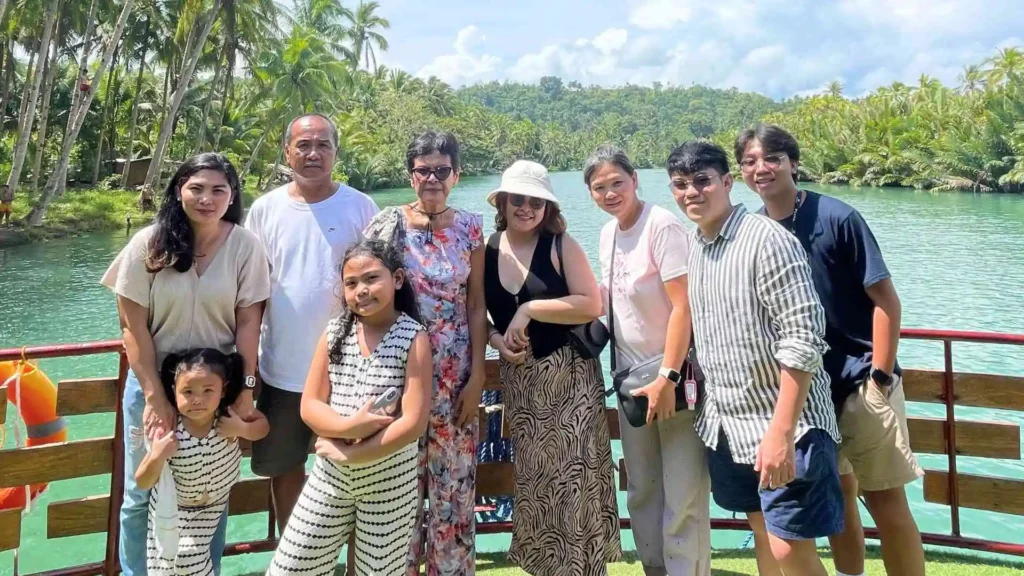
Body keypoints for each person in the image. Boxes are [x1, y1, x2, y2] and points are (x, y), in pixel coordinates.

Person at [738, 123, 924, 576]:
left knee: (886, 503)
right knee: (841, 497)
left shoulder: (836, 217)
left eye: (772, 158)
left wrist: (879, 378)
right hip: (809, 393)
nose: (761, 169)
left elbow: (886, 301)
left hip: (860, 382)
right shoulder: (753, 228)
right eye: (749, 162)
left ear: (793, 163)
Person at [667, 140, 842, 576]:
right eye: (681, 184)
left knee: (789, 549)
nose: (692, 192)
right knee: (763, 535)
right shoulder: (697, 244)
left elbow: (803, 339)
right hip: (729, 424)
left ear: (727, 182)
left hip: (786, 424)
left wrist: (781, 433)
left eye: (703, 181)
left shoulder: (768, 241)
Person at [101, 153, 271, 576]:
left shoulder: (245, 246)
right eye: (196, 188)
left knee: (211, 489)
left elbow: (250, 322)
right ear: (179, 191)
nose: (206, 198)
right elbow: (131, 326)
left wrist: (246, 388)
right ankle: (136, 572)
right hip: (153, 385)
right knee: (140, 492)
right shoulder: (149, 243)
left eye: (219, 190)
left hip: (216, 393)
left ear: (232, 196)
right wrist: (156, 396)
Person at [483, 160, 621, 576]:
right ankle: (545, 567)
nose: (527, 208)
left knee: (573, 483)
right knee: (535, 483)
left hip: (569, 381)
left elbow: (591, 303)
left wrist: (529, 309)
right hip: (522, 381)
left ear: (547, 207)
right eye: (519, 199)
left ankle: (580, 569)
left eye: (536, 201)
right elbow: (482, 318)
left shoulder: (561, 245)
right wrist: (496, 341)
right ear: (504, 202)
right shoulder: (486, 250)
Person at [245, 114, 380, 533]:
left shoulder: (361, 207)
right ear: (287, 152)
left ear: (336, 153)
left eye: (323, 145)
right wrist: (248, 378)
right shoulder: (266, 210)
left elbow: (380, 287)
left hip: (349, 372)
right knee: (285, 471)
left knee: (353, 474)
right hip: (282, 371)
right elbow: (251, 298)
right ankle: (294, 560)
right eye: (303, 145)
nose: (313, 153)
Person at [267, 239, 432, 575]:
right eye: (351, 283)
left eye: (372, 279)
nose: (362, 290)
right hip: (331, 476)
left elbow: (413, 422)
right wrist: (348, 429)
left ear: (397, 279)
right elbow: (310, 405)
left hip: (389, 482)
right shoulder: (334, 333)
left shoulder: (413, 337)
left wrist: (356, 454)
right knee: (292, 566)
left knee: (380, 571)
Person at [584, 144, 711, 576]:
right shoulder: (608, 234)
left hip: (672, 380)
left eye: (617, 182)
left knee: (682, 492)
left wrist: (668, 377)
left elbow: (683, 307)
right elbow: (609, 300)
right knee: (641, 488)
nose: (610, 193)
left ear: (635, 179)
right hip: (630, 383)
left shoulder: (662, 226)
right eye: (599, 187)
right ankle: (655, 568)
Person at [364, 131, 486, 576]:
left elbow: (475, 304)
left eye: (441, 169)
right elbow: (363, 296)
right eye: (422, 170)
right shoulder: (385, 225)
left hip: (455, 378)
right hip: (399, 374)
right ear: (409, 174)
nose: (432, 178)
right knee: (397, 489)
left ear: (456, 174)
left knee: (454, 491)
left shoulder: (471, 228)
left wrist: (476, 379)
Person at [137, 349, 269, 576]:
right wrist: (158, 454)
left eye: (208, 390)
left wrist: (242, 429)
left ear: (223, 389)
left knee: (187, 559)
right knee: (167, 566)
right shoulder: (169, 428)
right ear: (173, 391)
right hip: (174, 508)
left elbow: (263, 427)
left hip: (212, 506)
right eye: (187, 391)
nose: (197, 400)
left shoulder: (227, 417)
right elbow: (142, 481)